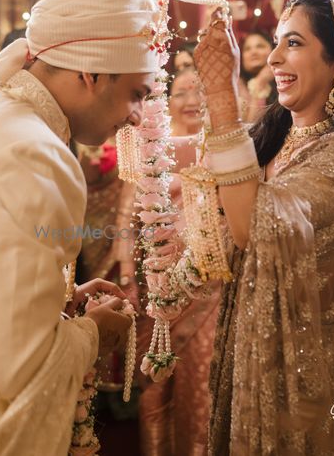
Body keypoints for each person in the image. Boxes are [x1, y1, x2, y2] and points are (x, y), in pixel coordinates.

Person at [0, 0, 167, 455]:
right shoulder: (34, 154)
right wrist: (92, 335)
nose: (137, 116)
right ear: (90, 73)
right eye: (136, 93)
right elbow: (16, 366)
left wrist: (58, 302)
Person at [191, 0, 334, 454]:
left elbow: (255, 228)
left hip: (301, 376)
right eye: (275, 42)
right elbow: (228, 239)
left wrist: (221, 94)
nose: (273, 58)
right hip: (244, 350)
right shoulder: (270, 138)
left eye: (293, 43)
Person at [138, 67, 220, 456]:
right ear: (167, 103)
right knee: (156, 381)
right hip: (162, 281)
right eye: (182, 93)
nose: (191, 101)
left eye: (200, 92)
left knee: (200, 381)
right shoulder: (154, 150)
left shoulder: (229, 149)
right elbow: (135, 218)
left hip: (210, 290)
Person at [238, 31, 276, 122]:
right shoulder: (237, 86)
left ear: (273, 50)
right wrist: (259, 82)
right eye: (247, 49)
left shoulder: (284, 80)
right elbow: (251, 126)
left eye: (260, 46)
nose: (253, 52)